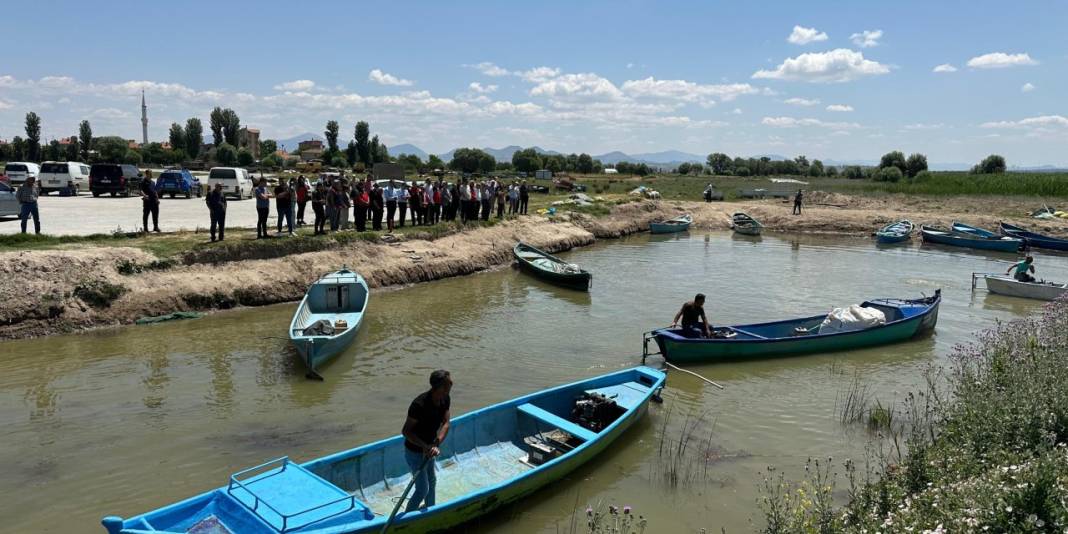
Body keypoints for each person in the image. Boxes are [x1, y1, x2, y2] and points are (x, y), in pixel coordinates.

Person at [401, 370, 452, 513]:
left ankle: (431, 510)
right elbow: (406, 431)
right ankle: (408, 517)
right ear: (440, 387)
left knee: (432, 482)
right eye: (449, 382)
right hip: (415, 452)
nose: (452, 383)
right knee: (422, 489)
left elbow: (446, 423)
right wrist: (425, 446)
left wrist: (436, 444)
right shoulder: (419, 404)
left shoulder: (445, 398)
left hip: (430, 448)